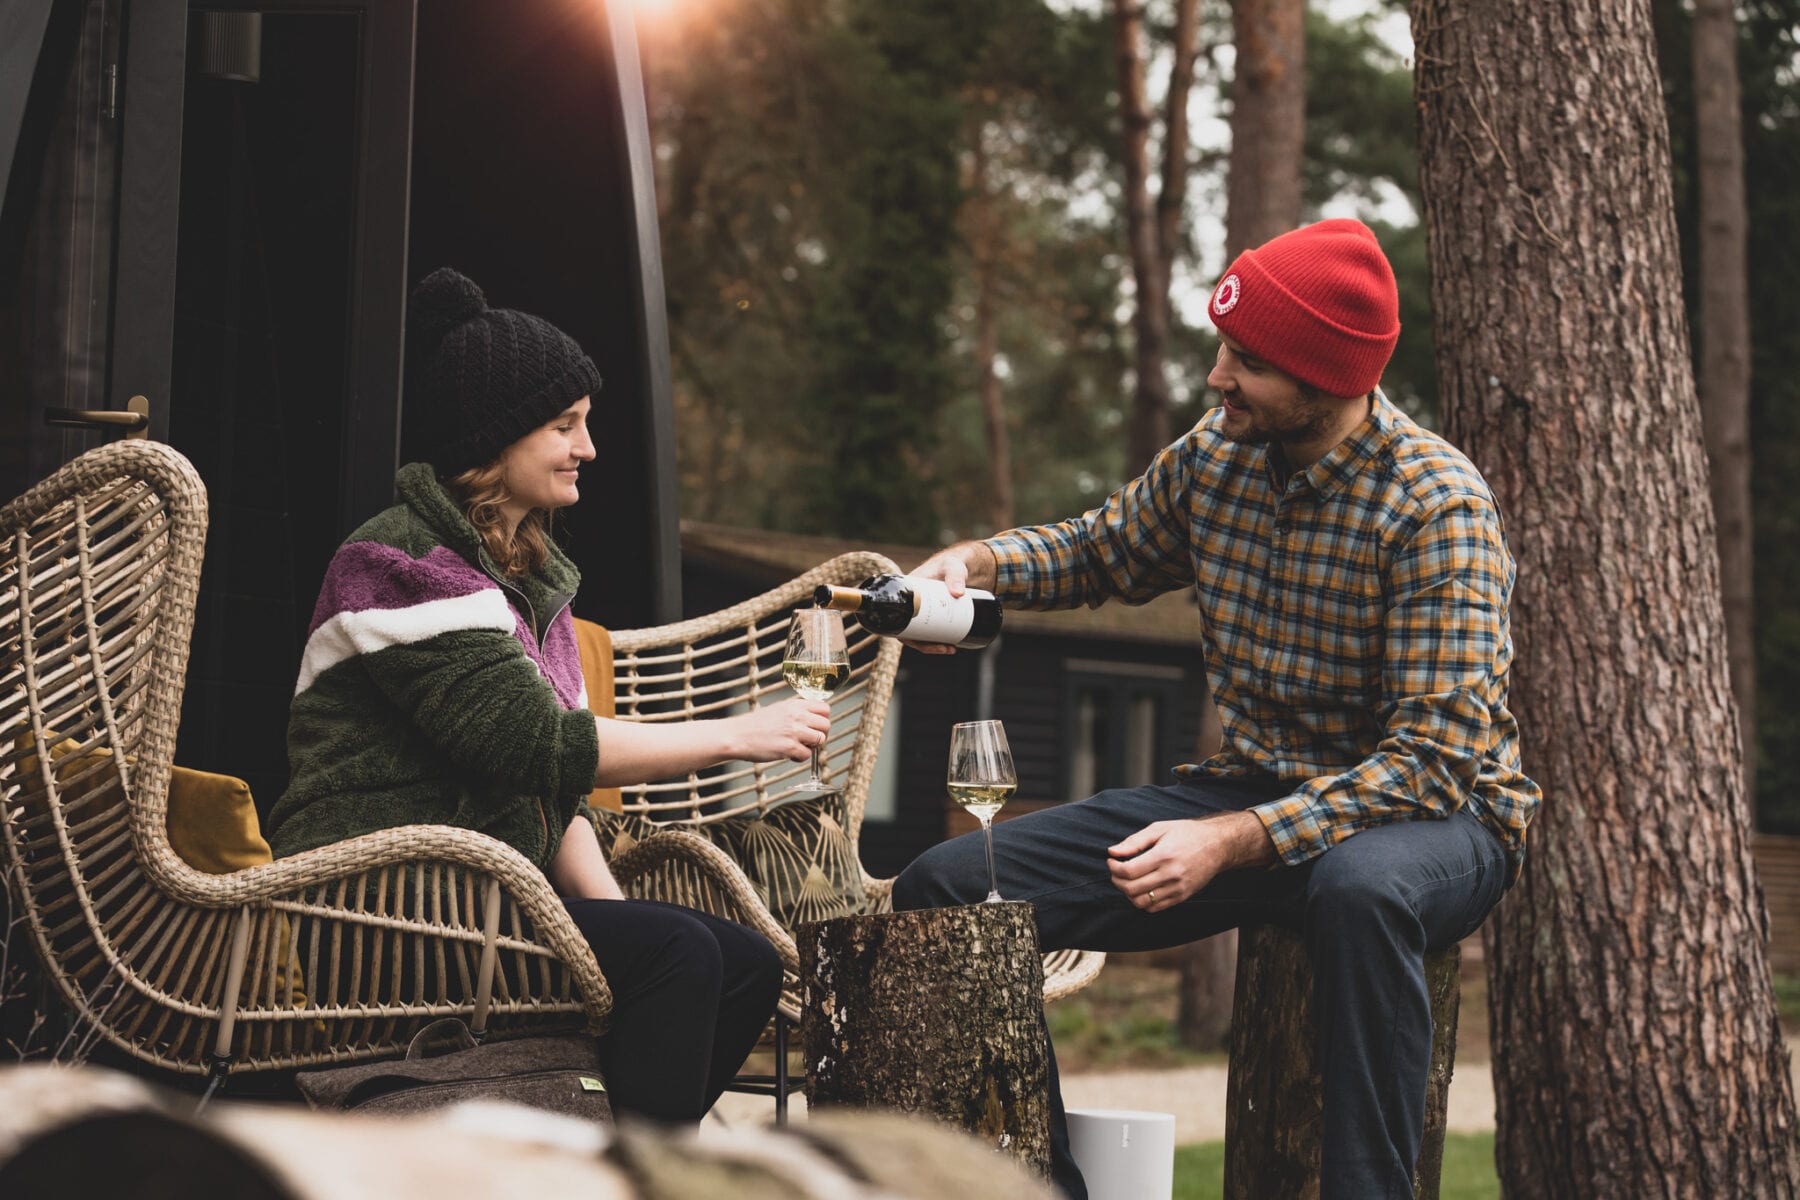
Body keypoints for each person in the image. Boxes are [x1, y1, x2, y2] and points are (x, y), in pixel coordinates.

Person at [892, 219, 1541, 1199]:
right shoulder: (1217, 458)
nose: (1215, 377)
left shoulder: (1435, 506)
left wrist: (1232, 839)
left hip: (1436, 825)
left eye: (1247, 362)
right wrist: (979, 562)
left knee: (1359, 889)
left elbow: (1430, 763)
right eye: (1221, 348)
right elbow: (1101, 551)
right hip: (1254, 796)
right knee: (945, 887)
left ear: (1323, 383)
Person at [267, 268, 830, 1126]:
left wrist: (607, 920)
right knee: (679, 955)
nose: (588, 448)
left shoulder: (526, 582)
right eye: (564, 426)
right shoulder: (401, 566)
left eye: (586, 425)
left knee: (740, 963)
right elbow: (543, 745)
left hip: (490, 906)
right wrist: (741, 734)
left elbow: (552, 793)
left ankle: (618, 1155)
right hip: (386, 912)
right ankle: (635, 1176)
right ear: (495, 440)